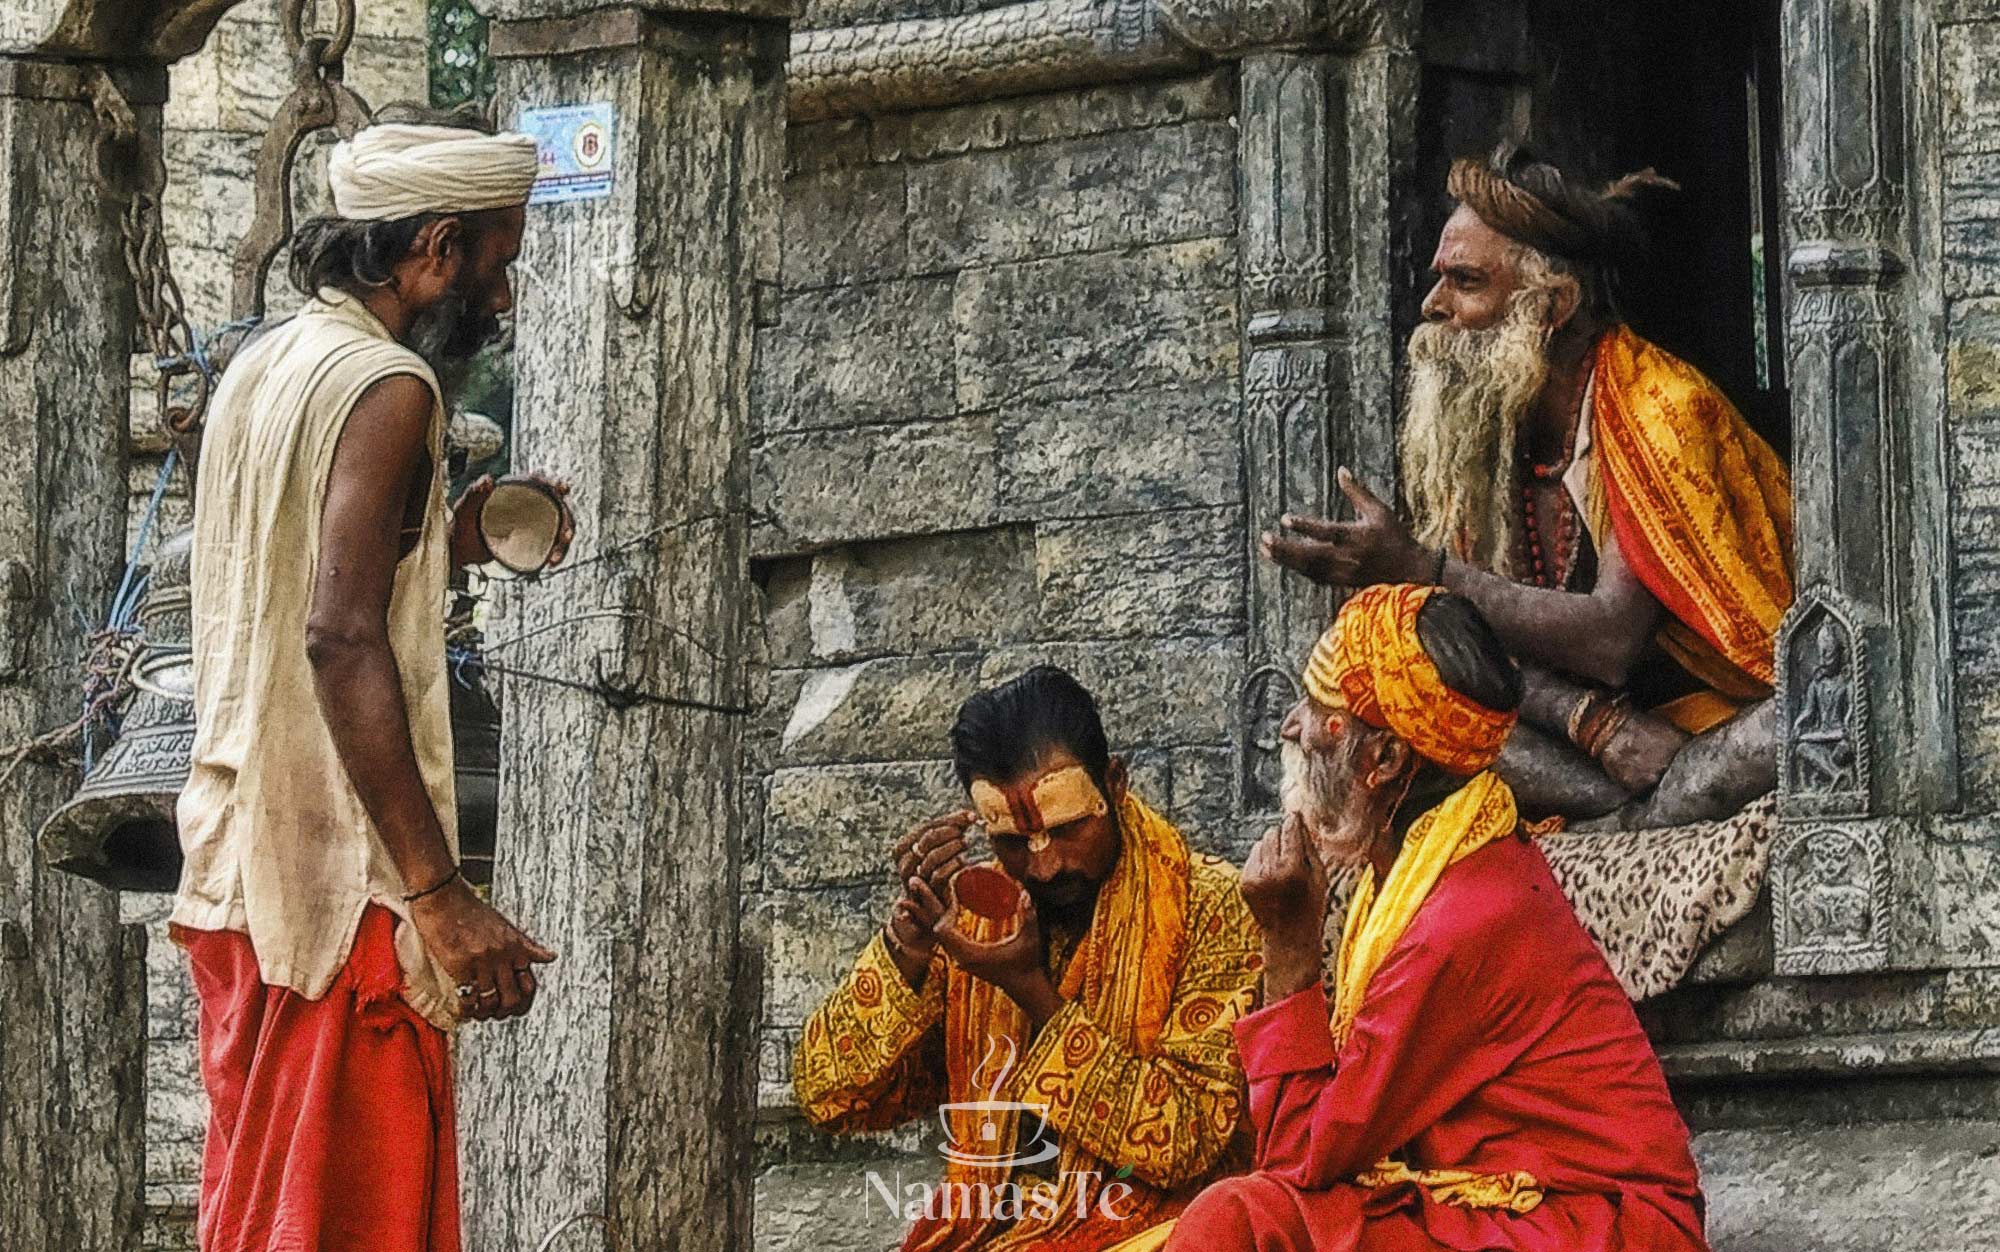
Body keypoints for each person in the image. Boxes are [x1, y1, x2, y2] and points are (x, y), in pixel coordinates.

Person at [170, 116, 572, 1252]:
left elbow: (300, 562)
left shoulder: (269, 361)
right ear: (436, 247)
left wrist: (449, 539)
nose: (504, 294)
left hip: (242, 866)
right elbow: (337, 638)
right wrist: (439, 893)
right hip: (336, 891)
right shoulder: (389, 384)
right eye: (500, 258)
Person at [1139, 583, 1706, 1252]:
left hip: (1602, 1228)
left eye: (1323, 712)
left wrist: (1288, 950)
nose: (1293, 725)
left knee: (1244, 1219)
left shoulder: (1461, 920)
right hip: (1506, 1203)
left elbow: (1299, 1157)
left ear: (1385, 760)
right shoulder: (1436, 867)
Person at [1262, 143, 1793, 828]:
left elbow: (1611, 641)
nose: (1433, 305)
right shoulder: (1483, 429)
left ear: (1552, 307)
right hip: (1594, 744)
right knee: (1399, 693)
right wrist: (1588, 721)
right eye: (1439, 280)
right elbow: (1475, 651)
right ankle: (1631, 820)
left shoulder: (1661, 408)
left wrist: (1417, 567)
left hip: (1710, 721)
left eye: (1466, 282)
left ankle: (1642, 813)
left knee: (1785, 731)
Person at [794, 666, 1263, 1251]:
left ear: (1114, 784)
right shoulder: (979, 914)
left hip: (1165, 1231)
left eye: (1067, 830)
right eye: (1012, 843)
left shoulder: (1214, 906)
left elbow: (1185, 1141)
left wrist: (1031, 993)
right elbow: (828, 1095)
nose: (1045, 867)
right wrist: (906, 949)